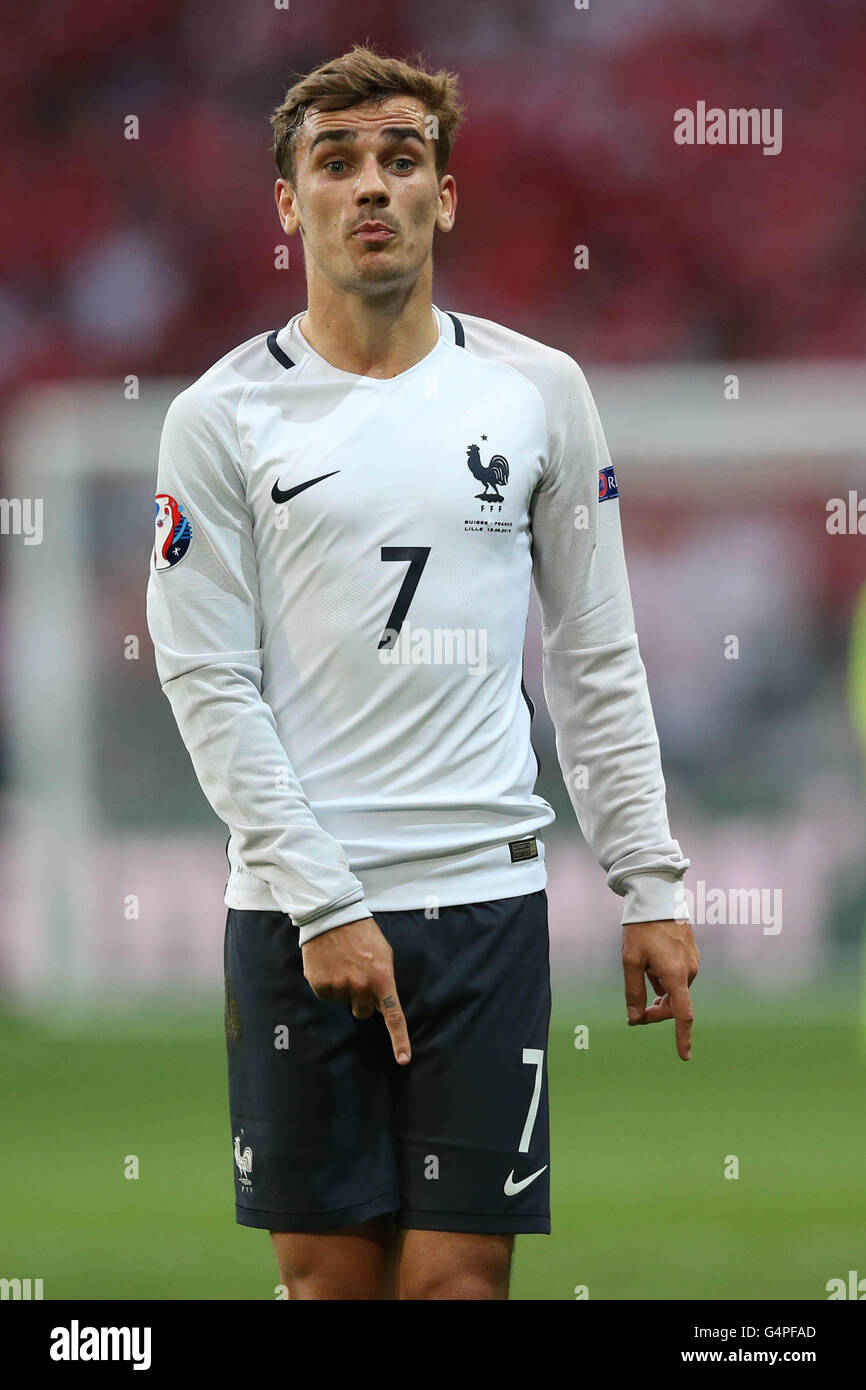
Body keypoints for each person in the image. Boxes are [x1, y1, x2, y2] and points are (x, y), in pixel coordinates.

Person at [146, 42, 698, 1301]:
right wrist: (321, 897)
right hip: (296, 914)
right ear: (287, 204)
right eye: (334, 163)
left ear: (445, 193)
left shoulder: (536, 392)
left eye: (402, 158)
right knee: (328, 1288)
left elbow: (594, 652)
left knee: (458, 1287)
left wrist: (648, 876)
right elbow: (206, 681)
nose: (370, 187)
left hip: (484, 902)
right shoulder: (219, 416)